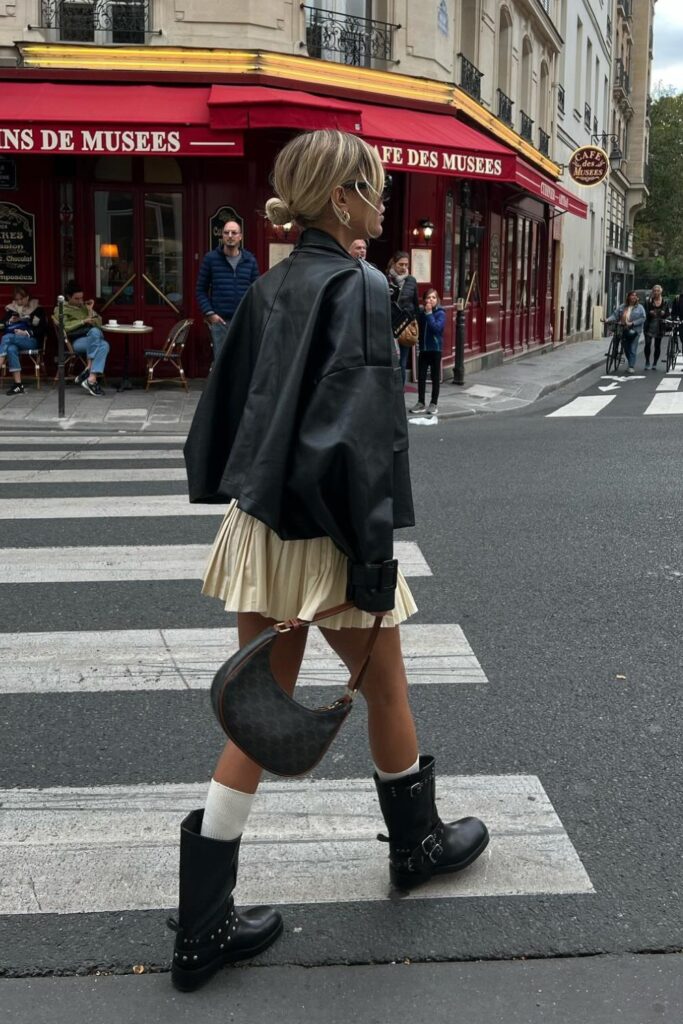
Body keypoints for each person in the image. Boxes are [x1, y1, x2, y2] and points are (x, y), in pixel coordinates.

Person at [178, 129, 489, 993]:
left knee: (258, 708)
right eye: (373, 187)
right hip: (334, 529)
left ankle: (201, 927)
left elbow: (226, 407)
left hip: (265, 522)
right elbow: (362, 435)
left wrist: (235, 491)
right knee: (383, 686)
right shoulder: (360, 285)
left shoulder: (270, 283)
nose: (383, 203)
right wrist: (373, 556)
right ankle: (416, 846)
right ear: (340, 197)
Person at [196, 220, 260, 360]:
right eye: (226, 232)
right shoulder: (211, 259)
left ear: (240, 236)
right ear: (222, 236)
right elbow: (200, 290)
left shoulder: (250, 260)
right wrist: (210, 314)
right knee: (222, 363)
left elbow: (257, 292)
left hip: (243, 321)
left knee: (243, 363)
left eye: (234, 232)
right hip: (221, 322)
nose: (230, 235)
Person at [54, 282, 109, 396]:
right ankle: (89, 368)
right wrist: (83, 321)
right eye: (76, 298)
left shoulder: (84, 307)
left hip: (92, 340)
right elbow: (64, 327)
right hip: (76, 342)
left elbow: (99, 323)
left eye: (81, 298)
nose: (80, 301)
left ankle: (91, 379)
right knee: (95, 333)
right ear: (68, 297)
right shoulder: (61, 308)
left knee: (105, 345)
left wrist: (90, 310)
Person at [410, 288, 446, 416]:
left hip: (435, 349)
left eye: (433, 297)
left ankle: (433, 403)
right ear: (424, 300)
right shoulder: (421, 313)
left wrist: (430, 314)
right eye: (428, 297)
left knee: (435, 377)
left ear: (437, 300)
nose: (431, 299)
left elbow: (436, 328)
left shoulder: (441, 313)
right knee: (421, 377)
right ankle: (420, 402)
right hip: (424, 349)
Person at [386, 251, 419, 386]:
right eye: (401, 264)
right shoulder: (385, 279)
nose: (404, 267)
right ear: (394, 264)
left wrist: (412, 318)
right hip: (388, 325)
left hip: (405, 326)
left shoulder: (411, 280)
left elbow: (415, 304)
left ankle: (400, 392)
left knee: (402, 362)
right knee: (390, 360)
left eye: (406, 265)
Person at [607, 290, 646, 374]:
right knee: (625, 347)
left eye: (635, 296)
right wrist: (607, 319)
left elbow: (643, 318)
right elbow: (615, 315)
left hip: (634, 330)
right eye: (632, 295)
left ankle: (631, 366)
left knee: (632, 347)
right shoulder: (622, 306)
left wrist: (633, 323)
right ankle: (628, 360)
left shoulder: (640, 307)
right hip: (623, 329)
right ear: (628, 297)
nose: (634, 297)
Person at [0, 311, 35, 395]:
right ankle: (18, 385)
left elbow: (41, 328)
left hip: (30, 340)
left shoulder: (36, 311)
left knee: (7, 337)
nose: (19, 301)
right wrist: (9, 322)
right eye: (17, 299)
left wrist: (25, 333)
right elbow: (1, 326)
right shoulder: (11, 312)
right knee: (11, 349)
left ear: (27, 298)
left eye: (21, 299)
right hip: (13, 342)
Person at [643, 284, 670, 370]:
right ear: (652, 291)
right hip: (649, 325)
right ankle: (647, 361)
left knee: (657, 345)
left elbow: (668, 314)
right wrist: (649, 313)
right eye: (654, 291)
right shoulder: (648, 301)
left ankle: (655, 362)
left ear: (661, 291)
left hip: (660, 326)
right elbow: (644, 313)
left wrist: (664, 314)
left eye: (658, 291)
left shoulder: (665, 301)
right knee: (647, 344)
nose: (656, 292)